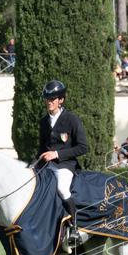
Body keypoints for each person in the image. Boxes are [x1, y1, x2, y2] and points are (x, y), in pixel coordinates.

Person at [37, 80, 89, 245]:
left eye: (53, 98)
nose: (50, 102)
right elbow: (41, 149)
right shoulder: (43, 122)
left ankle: (75, 227)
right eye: (47, 98)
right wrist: (32, 164)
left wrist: (57, 154)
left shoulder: (72, 119)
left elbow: (83, 147)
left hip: (65, 165)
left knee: (61, 188)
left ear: (61, 100)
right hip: (46, 165)